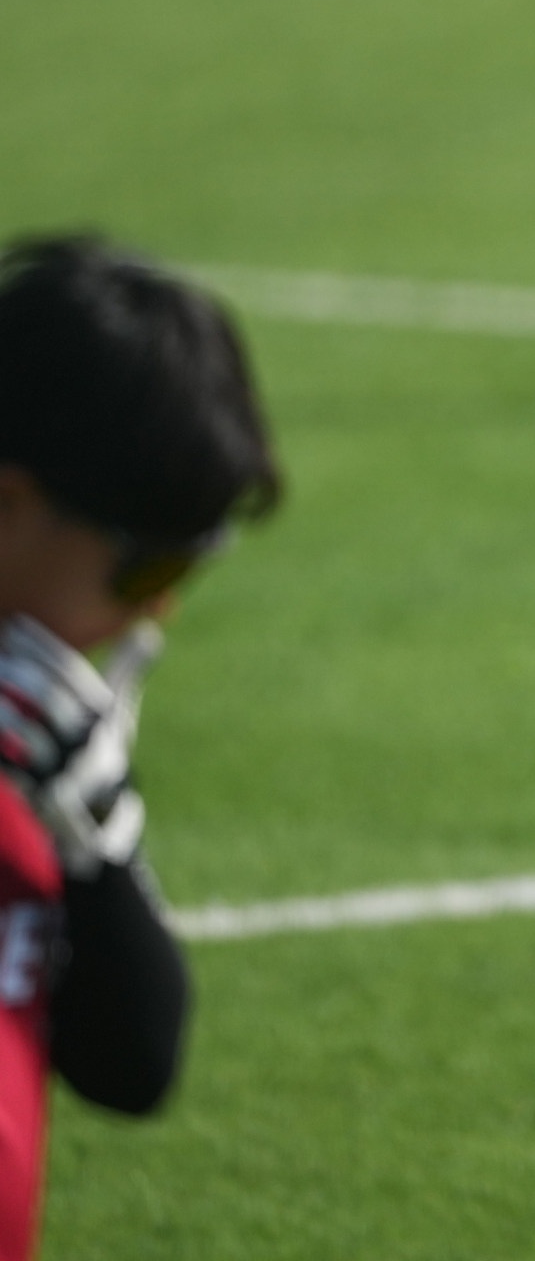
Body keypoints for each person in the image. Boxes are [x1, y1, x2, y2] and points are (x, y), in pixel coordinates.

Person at [0, 235, 281, 1259]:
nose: (159, 607)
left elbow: (132, 1066)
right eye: (147, 566)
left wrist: (98, 831)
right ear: (7, 501)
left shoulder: (30, 746)